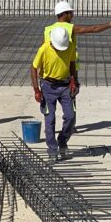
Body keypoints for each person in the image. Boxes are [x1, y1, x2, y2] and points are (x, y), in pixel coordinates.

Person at [44, 1, 111, 131]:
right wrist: (110, 24)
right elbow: (93, 29)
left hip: (50, 71)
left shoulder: (47, 30)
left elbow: (43, 51)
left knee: (50, 106)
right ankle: (70, 125)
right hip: (69, 68)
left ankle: (52, 128)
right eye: (71, 13)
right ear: (64, 14)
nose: (73, 15)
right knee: (71, 95)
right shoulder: (69, 28)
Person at [30, 26, 78, 162]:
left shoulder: (69, 46)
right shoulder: (44, 49)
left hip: (65, 86)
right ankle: (52, 149)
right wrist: (36, 90)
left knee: (70, 116)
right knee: (49, 120)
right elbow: (33, 68)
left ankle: (62, 141)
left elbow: (72, 63)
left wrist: (74, 81)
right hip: (47, 86)